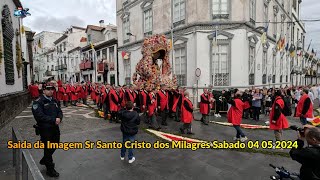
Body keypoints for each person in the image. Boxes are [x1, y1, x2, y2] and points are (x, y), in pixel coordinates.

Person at [31, 83, 63, 177]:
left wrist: (60, 118)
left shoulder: (54, 100)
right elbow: (39, 116)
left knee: (56, 144)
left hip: (55, 128)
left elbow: (59, 111)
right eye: (48, 89)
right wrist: (53, 120)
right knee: (48, 148)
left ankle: (45, 159)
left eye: (52, 89)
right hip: (45, 129)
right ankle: (50, 169)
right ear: (44, 90)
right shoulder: (38, 101)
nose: (51, 91)